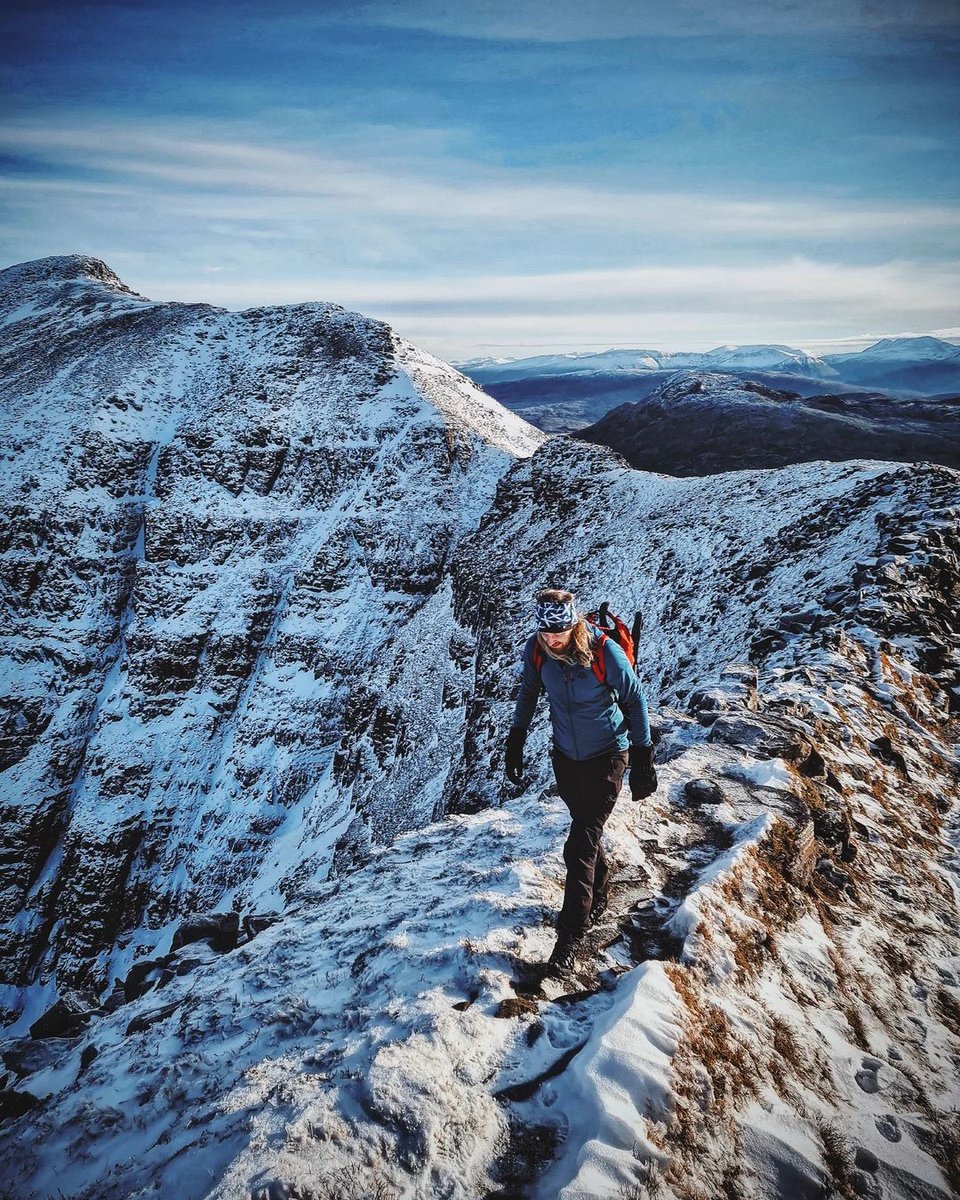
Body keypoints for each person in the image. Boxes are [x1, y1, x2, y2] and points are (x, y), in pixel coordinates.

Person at [505, 588, 657, 972]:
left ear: (573, 625)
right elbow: (529, 691)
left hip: (608, 755)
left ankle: (571, 935)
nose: (552, 639)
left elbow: (635, 699)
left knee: (578, 845)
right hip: (566, 758)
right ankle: (600, 891)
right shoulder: (537, 650)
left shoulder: (605, 653)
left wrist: (643, 757)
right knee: (585, 832)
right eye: (546, 632)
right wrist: (516, 738)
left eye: (559, 632)